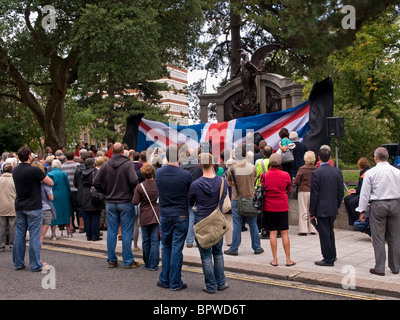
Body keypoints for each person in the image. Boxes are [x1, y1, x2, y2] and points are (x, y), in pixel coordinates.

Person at [93, 142, 139, 269]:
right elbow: (135, 180)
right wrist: (133, 192)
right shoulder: (127, 164)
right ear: (123, 151)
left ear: (112, 151)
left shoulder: (106, 165)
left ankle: (112, 260)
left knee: (112, 232)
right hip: (125, 201)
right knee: (126, 232)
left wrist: (105, 191)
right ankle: (128, 261)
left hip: (111, 202)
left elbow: (95, 181)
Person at [356, 147, 400, 276]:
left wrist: (362, 210)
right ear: (387, 157)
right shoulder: (396, 172)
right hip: (395, 203)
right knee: (395, 236)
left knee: (378, 237)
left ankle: (380, 267)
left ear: (376, 158)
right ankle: (395, 266)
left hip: (378, 204)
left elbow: (365, 194)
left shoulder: (371, 173)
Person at [189, 153, 229, 294]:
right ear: (213, 164)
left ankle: (210, 286)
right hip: (217, 220)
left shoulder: (195, 184)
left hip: (202, 221)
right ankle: (221, 282)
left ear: (200, 164)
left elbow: (190, 202)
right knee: (218, 253)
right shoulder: (222, 181)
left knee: (205, 255)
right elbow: (223, 198)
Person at [155, 145, 193, 291]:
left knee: (166, 247)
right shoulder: (185, 175)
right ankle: (175, 282)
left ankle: (164, 279)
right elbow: (190, 192)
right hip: (181, 214)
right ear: (178, 157)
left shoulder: (158, 173)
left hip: (164, 214)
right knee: (177, 248)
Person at [12, 146, 54, 271]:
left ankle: (18, 263)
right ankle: (35, 264)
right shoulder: (35, 171)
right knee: (34, 236)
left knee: (20, 234)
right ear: (29, 156)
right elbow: (50, 182)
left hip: (20, 205)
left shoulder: (15, 170)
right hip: (34, 206)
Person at [225, 144, 264, 256]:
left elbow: (229, 183)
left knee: (237, 224)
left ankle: (234, 248)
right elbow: (253, 181)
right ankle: (257, 247)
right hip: (250, 198)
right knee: (253, 224)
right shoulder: (253, 168)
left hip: (236, 198)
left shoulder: (231, 169)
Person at [309, 148, 344, 267]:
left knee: (324, 233)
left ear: (319, 158)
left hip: (321, 208)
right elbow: (340, 191)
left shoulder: (316, 173)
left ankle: (328, 258)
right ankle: (332, 254)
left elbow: (315, 194)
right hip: (332, 207)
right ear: (330, 158)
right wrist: (337, 204)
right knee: (330, 231)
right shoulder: (337, 172)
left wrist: (312, 211)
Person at [261, 153, 295, 267]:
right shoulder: (285, 175)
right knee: (284, 232)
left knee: (273, 233)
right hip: (282, 206)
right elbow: (289, 188)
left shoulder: (264, 175)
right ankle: (288, 259)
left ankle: (274, 259)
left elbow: (262, 187)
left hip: (269, 207)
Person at [132, 164, 160, 271]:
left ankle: (147, 262)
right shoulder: (158, 184)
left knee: (145, 240)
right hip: (156, 215)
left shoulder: (140, 186)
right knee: (155, 240)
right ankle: (154, 264)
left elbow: (135, 202)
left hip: (144, 215)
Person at [180, 147, 203, 248]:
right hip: (196, 195)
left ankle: (189, 240)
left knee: (188, 217)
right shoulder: (198, 168)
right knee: (197, 217)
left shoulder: (182, 167)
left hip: (185, 194)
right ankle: (197, 240)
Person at [293, 151, 317, 236]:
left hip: (303, 191)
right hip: (314, 191)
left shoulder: (302, 169)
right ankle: (313, 228)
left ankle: (303, 229)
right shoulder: (316, 169)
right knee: (313, 210)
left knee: (303, 209)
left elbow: (297, 181)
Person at [80, 158, 103, 241]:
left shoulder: (82, 172)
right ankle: (95, 235)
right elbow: (99, 182)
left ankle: (88, 235)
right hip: (94, 193)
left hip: (85, 193)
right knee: (96, 215)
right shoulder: (95, 172)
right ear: (93, 164)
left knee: (88, 215)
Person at [48, 159, 72, 240]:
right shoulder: (63, 173)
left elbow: (48, 187)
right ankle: (69, 232)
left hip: (54, 194)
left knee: (54, 213)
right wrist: (69, 193)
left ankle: (53, 234)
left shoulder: (49, 174)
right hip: (64, 194)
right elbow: (67, 186)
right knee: (65, 212)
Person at [31, 161, 54, 246]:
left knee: (34, 236)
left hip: (33, 208)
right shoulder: (45, 183)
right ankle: (37, 258)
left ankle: (35, 257)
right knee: (41, 237)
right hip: (45, 209)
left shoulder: (29, 182)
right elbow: (51, 198)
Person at [61, 150, 83, 234]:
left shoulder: (62, 166)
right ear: (74, 157)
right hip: (76, 189)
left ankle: (70, 226)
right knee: (79, 208)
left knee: (69, 209)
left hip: (67, 189)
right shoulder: (78, 165)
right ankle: (81, 225)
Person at [344, 157, 370, 226]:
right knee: (346, 199)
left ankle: (357, 219)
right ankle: (351, 221)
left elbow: (363, 188)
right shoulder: (363, 172)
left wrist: (356, 190)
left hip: (363, 193)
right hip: (360, 191)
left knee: (352, 202)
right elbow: (360, 186)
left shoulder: (365, 173)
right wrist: (355, 190)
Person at [255, 145, 272, 239]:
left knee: (261, 208)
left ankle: (262, 227)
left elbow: (256, 174)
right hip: (271, 186)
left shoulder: (258, 162)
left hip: (260, 186)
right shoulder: (274, 162)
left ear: (263, 153)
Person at [0, 163, 16, 252]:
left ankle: (1, 246)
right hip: (12, 206)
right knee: (13, 227)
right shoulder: (14, 180)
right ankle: (13, 245)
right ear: (11, 170)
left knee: (1, 227)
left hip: (1, 206)